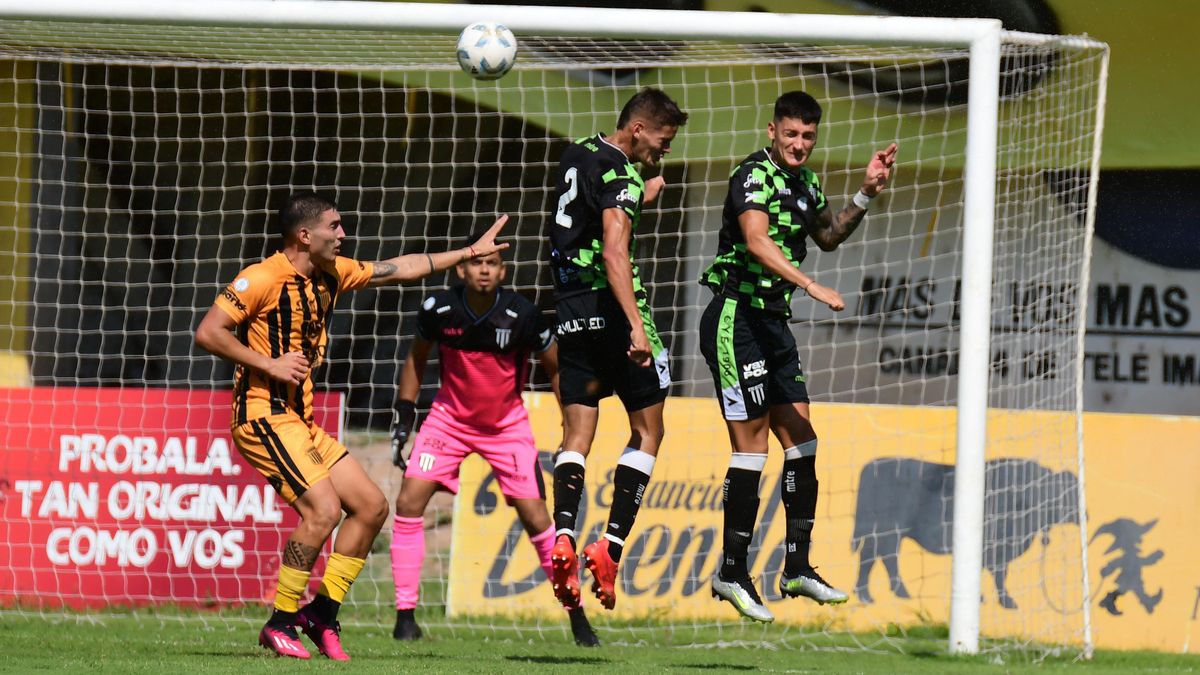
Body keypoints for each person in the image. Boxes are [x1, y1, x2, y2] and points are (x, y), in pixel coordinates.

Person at [194, 191, 508, 660]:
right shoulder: (259, 278)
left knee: (370, 507)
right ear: (305, 235)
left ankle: (321, 615)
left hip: (300, 420)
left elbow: (398, 268)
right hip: (261, 415)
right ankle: (280, 623)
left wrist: (465, 253)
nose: (343, 235)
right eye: (334, 226)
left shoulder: (331, 274)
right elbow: (208, 331)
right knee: (322, 511)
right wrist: (270, 364)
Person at [699, 91, 897, 622]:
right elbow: (757, 240)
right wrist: (808, 283)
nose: (799, 144)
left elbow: (829, 235)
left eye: (808, 136)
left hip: (772, 325)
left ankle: (797, 566)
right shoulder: (752, 176)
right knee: (752, 445)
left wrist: (865, 194)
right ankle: (732, 571)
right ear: (772, 131)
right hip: (735, 319)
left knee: (803, 440)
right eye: (791, 134)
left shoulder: (805, 183)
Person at [387, 246, 599, 647]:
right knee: (408, 502)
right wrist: (404, 416)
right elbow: (416, 359)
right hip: (448, 420)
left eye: (492, 264)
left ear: (503, 271)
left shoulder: (524, 314)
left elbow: (554, 366)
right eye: (476, 263)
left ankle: (578, 617)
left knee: (539, 519)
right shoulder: (438, 308)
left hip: (506, 426)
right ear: (462, 269)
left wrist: (568, 421)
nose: (484, 270)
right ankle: (405, 617)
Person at [545, 87, 688, 611]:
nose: (664, 151)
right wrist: (636, 326)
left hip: (570, 309)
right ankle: (610, 548)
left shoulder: (578, 151)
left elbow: (592, 207)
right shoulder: (623, 174)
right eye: (662, 141)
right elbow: (614, 248)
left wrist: (638, 197)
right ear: (638, 130)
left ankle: (562, 534)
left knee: (577, 434)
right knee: (649, 430)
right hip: (611, 310)